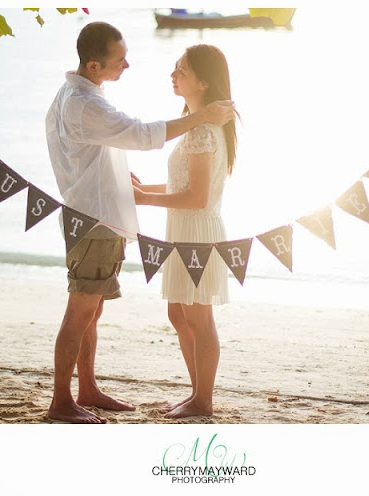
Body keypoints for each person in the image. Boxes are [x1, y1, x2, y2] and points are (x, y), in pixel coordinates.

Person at [45, 22, 234, 424]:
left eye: (180, 69)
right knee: (82, 310)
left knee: (94, 311)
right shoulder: (84, 103)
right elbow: (139, 133)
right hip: (94, 217)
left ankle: (88, 388)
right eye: (119, 60)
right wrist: (200, 118)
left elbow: (192, 188)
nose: (128, 65)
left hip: (105, 216)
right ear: (94, 65)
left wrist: (140, 191)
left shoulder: (79, 92)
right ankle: (63, 400)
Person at [133, 44, 238, 418]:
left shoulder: (202, 133)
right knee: (179, 315)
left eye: (181, 70)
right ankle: (197, 392)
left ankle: (202, 400)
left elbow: (196, 197)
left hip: (196, 232)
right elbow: (183, 183)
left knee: (198, 317)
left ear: (203, 82)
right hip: (185, 230)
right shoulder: (201, 127)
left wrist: (143, 200)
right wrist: (145, 190)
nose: (173, 75)